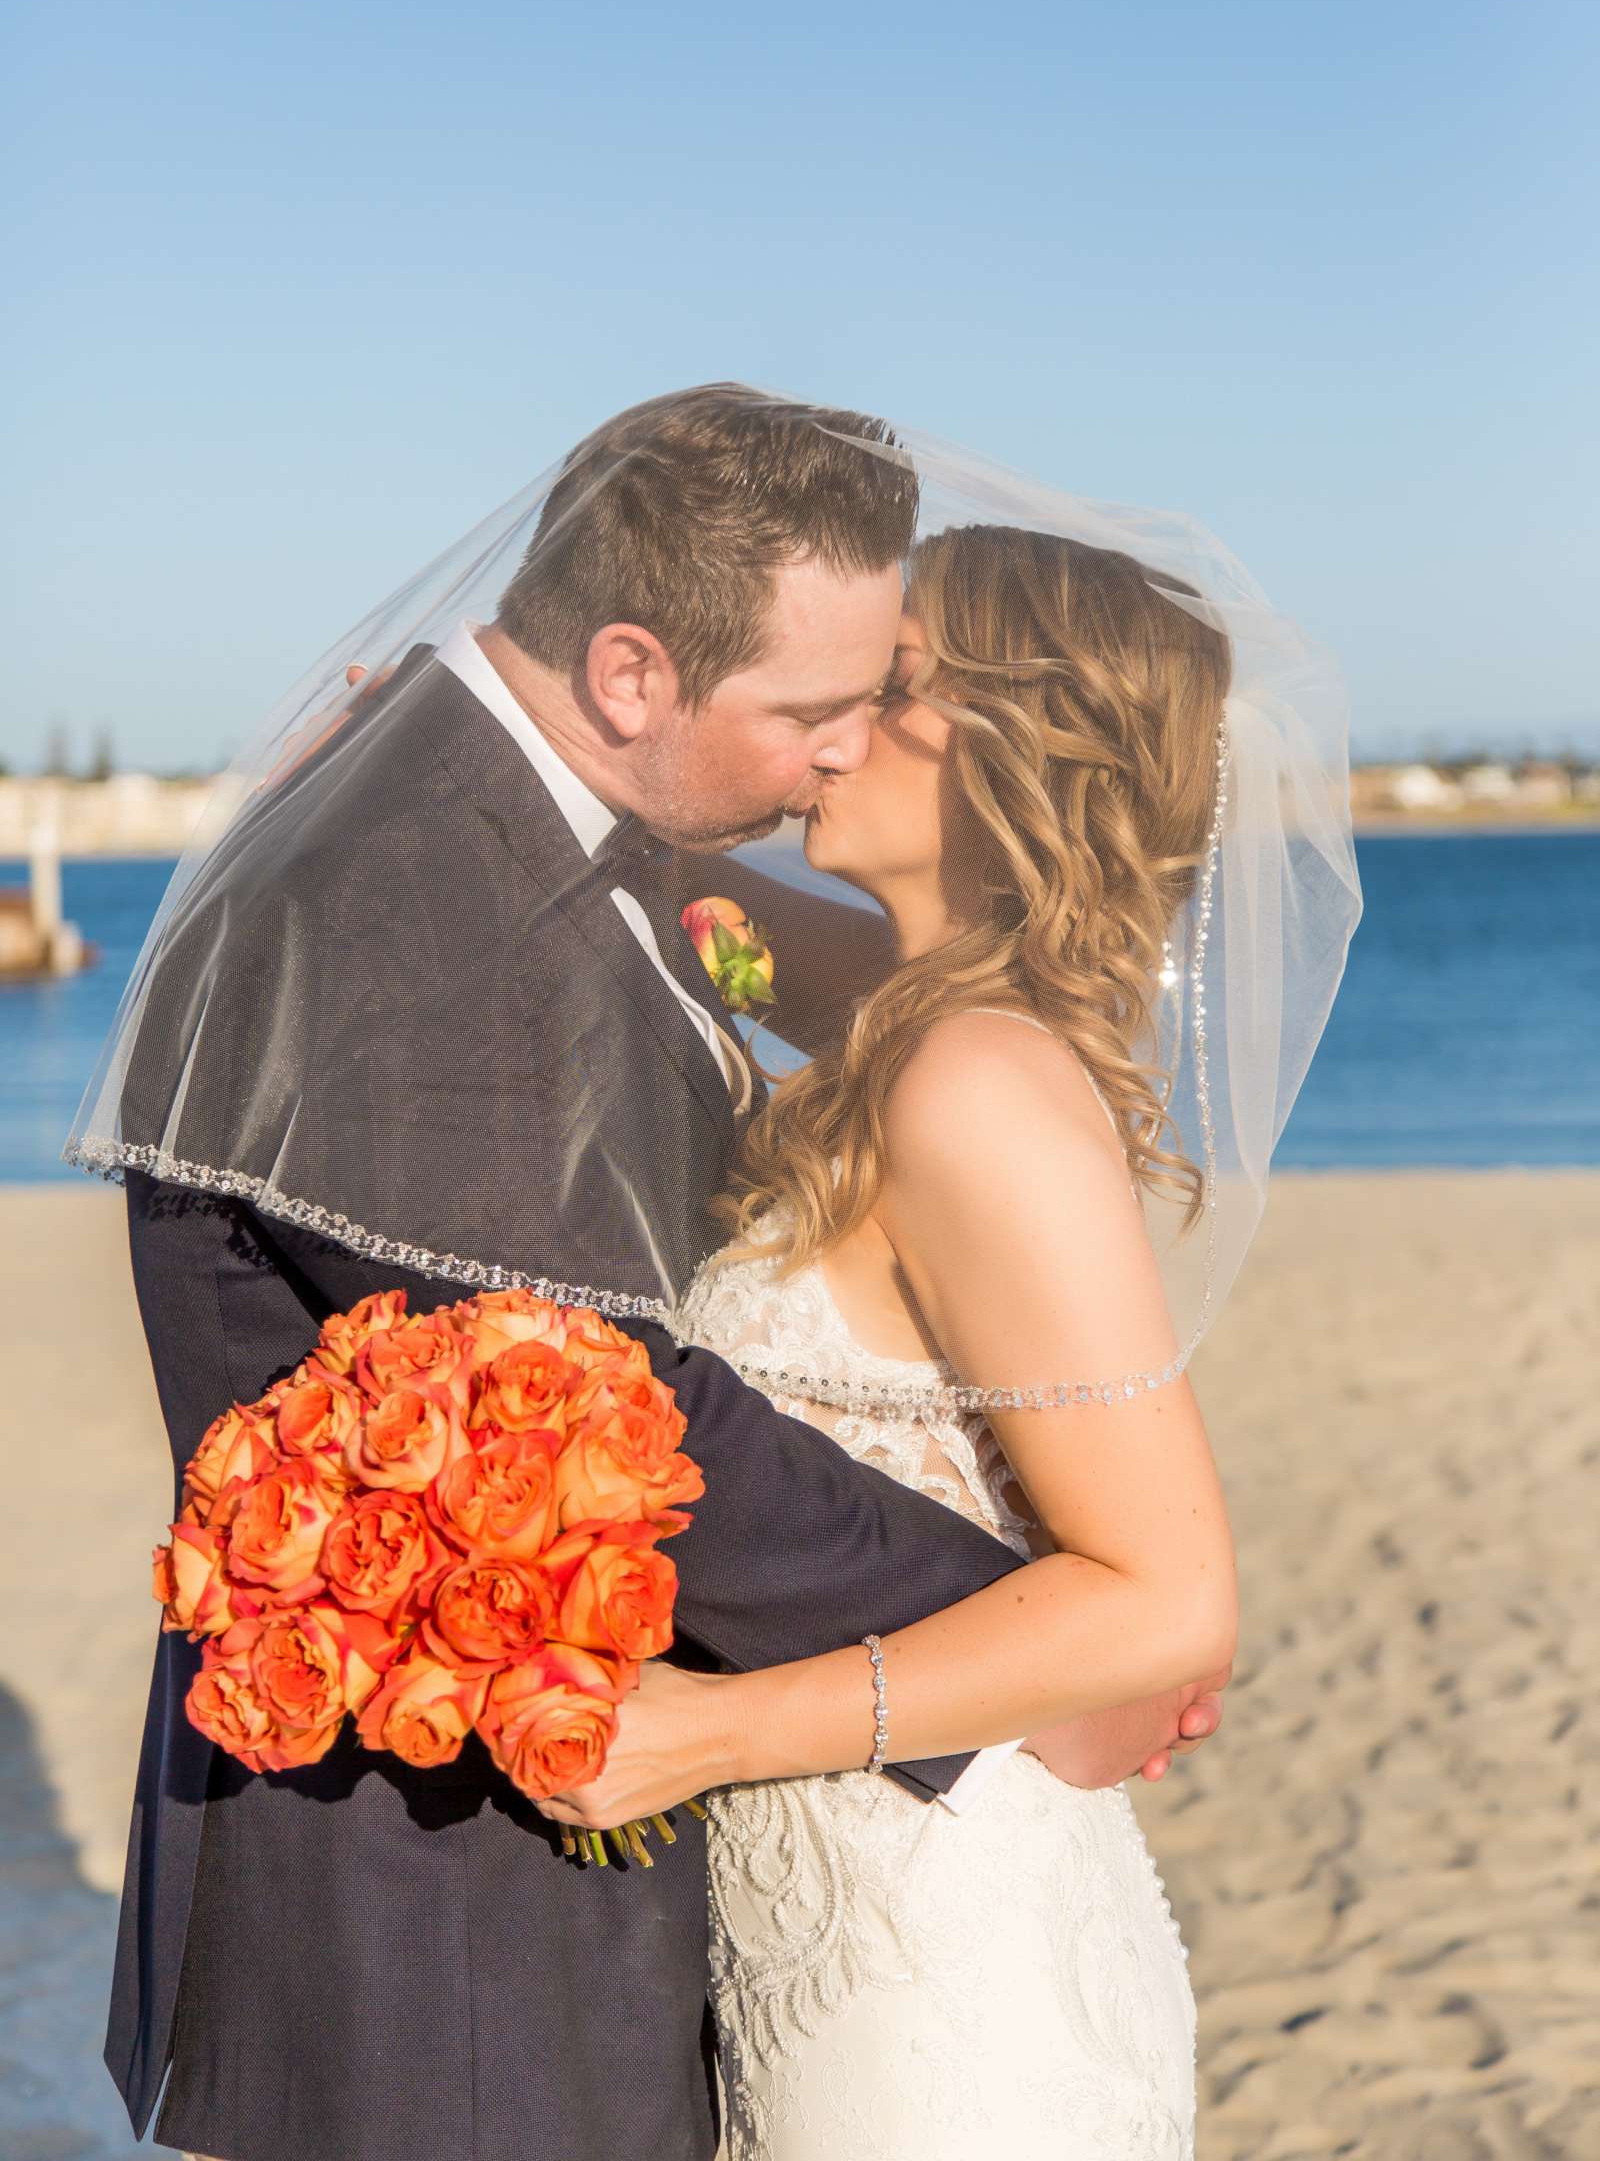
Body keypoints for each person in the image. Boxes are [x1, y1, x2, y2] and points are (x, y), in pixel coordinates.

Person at [71, 391, 1221, 2161]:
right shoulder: (422, 896)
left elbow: (839, 1060)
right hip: (456, 1927)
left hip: (845, 1906)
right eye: (819, 707)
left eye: (874, 702)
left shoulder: (878, 1015)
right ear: (627, 679)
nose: (833, 755)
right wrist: (1043, 1637)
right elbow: (598, 1393)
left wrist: (1079, 1631)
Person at [532, 523, 1335, 2157]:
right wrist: (528, 768)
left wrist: (703, 1733)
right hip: (839, 1919)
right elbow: (710, 916)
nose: (828, 727)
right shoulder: (898, 1010)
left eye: (887, 688)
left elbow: (1173, 1596)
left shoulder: (973, 1083)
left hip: (934, 1980)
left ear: (1013, 754)